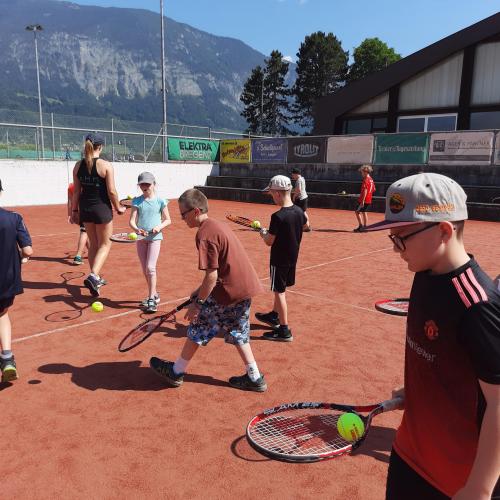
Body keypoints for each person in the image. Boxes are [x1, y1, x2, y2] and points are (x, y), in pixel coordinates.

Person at [363, 173, 500, 500]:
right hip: (410, 455)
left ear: (443, 231)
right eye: (392, 237)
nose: (396, 249)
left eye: (401, 238)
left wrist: (479, 488)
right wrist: (419, 389)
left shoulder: (477, 305)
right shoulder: (424, 275)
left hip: (456, 478)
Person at [149, 188, 266, 392]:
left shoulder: (204, 234)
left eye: (183, 214)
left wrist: (198, 304)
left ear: (195, 211)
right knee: (238, 331)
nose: (182, 218)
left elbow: (212, 276)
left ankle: (176, 371)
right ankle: (254, 377)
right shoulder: (217, 225)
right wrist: (198, 291)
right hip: (245, 288)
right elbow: (219, 271)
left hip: (227, 292)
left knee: (199, 327)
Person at [70, 133, 126, 296]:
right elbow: (112, 191)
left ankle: (95, 277)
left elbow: (76, 193)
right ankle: (94, 275)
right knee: (105, 244)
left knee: (94, 244)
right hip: (101, 209)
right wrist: (118, 208)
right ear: (100, 147)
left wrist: (74, 211)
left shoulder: (77, 165)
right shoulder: (105, 165)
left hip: (85, 209)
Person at [255, 175, 306, 342]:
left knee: (279, 292)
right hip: (293, 258)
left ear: (277, 193)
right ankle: (274, 316)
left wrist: (262, 232)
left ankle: (284, 330)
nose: (271, 197)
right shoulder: (299, 211)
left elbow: (269, 241)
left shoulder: (277, 216)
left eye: (271, 194)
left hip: (279, 260)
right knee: (282, 289)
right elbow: (307, 226)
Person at [0, 179, 33, 382]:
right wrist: (23, 255)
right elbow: (28, 250)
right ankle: (7, 358)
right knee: (2, 314)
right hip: (6, 281)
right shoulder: (14, 218)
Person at [129, 172, 171, 313]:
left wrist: (159, 227)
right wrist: (137, 229)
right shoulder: (136, 201)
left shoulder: (160, 201)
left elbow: (168, 219)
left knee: (150, 268)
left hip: (155, 238)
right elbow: (132, 221)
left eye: (148, 184)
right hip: (141, 239)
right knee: (145, 269)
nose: (145, 186)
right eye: (142, 184)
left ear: (154, 184)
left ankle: (151, 299)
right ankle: (154, 293)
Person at [67, 182, 89, 265]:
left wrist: (70, 214)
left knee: (86, 232)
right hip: (87, 211)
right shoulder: (87, 184)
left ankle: (91, 252)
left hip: (77, 212)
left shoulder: (71, 186)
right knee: (84, 232)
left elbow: (70, 202)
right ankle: (78, 256)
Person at [354, 164, 375, 232]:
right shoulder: (371, 180)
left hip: (363, 199)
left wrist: (362, 201)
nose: (361, 174)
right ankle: (366, 227)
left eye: (362, 172)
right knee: (364, 212)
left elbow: (365, 190)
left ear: (365, 172)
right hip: (369, 199)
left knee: (357, 212)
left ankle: (361, 226)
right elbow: (374, 189)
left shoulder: (366, 180)